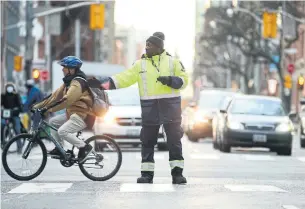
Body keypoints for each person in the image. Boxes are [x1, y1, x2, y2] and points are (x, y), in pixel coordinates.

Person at [90, 32, 189, 184]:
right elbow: (124, 78)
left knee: (174, 141)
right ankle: (147, 175)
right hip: (150, 108)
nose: (147, 48)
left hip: (170, 106)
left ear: (159, 47)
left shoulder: (173, 62)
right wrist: (102, 85)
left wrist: (170, 80)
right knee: (147, 141)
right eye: (146, 45)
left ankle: (177, 175)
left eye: (150, 46)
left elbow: (184, 81)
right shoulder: (140, 65)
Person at [32, 56, 95, 163]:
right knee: (53, 122)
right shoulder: (67, 82)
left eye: (64, 67)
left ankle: (84, 147)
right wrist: (37, 107)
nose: (62, 69)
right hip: (73, 114)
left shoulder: (77, 83)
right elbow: (53, 97)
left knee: (62, 131)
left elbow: (67, 100)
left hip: (83, 115)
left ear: (71, 69)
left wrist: (49, 110)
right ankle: (59, 149)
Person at [1, 83, 23, 152]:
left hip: (14, 114)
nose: (9, 88)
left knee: (17, 129)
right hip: (6, 115)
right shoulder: (3, 95)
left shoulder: (16, 95)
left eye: (10, 87)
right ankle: (3, 143)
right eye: (8, 87)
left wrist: (18, 109)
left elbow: (20, 104)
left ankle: (19, 147)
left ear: (13, 88)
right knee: (2, 126)